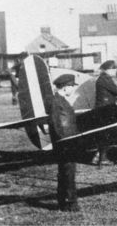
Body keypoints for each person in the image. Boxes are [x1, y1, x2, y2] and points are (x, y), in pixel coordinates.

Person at [49, 74, 80, 212]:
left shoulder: (60, 100)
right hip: (65, 143)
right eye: (72, 86)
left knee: (65, 173)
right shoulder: (57, 101)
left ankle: (63, 202)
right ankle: (70, 203)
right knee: (68, 173)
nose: (73, 89)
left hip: (67, 142)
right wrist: (64, 141)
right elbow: (55, 124)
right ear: (66, 86)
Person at [92, 60, 117, 166]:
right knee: (106, 135)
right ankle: (102, 158)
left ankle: (98, 157)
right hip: (105, 112)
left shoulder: (104, 79)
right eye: (114, 69)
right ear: (108, 70)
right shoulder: (104, 79)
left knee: (105, 135)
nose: (115, 71)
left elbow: (114, 91)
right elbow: (116, 90)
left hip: (104, 110)